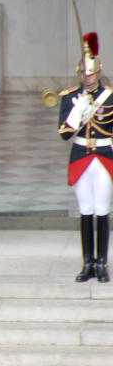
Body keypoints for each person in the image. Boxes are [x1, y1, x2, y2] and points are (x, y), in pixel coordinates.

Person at [58, 32, 113, 283]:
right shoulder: (70, 97)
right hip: (80, 154)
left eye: (91, 73)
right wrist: (76, 113)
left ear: (98, 72)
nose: (87, 77)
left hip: (103, 155)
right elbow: (64, 134)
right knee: (85, 210)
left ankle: (102, 262)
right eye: (84, 73)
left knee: (101, 209)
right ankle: (87, 262)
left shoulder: (109, 97)